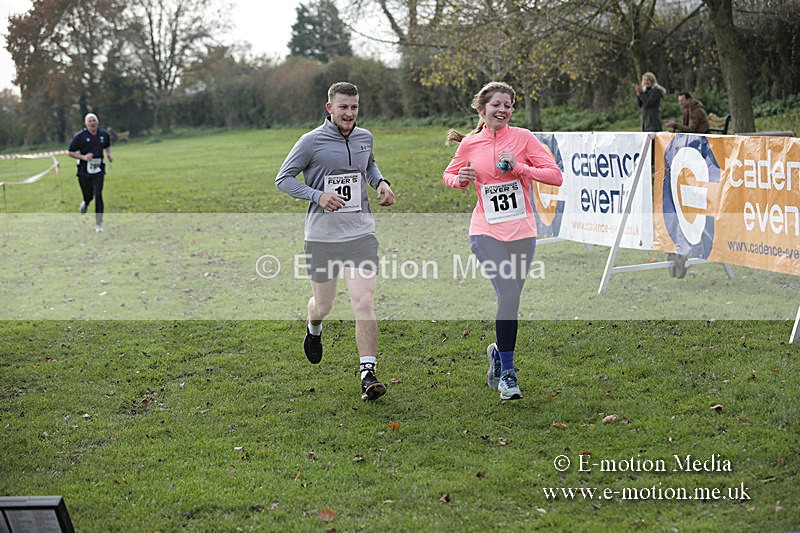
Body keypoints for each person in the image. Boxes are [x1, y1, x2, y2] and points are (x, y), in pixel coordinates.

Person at [275, 81, 396, 401]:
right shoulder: (310, 142)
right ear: (330, 108)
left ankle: (367, 374)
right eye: (343, 107)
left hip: (360, 233)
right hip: (322, 237)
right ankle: (313, 328)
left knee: (364, 300)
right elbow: (283, 179)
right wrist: (317, 195)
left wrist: (380, 182)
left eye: (354, 107)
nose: (349, 113)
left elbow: (367, 164)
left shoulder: (364, 137)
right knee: (324, 304)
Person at [442, 81, 562, 400]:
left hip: (522, 232)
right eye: (497, 104)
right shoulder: (469, 143)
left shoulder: (523, 138)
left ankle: (498, 353)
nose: (503, 110)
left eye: (508, 105)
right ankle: (508, 373)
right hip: (485, 230)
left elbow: (555, 175)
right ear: (482, 110)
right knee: (508, 291)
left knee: (510, 300)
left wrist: (521, 167)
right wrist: (459, 180)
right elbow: (449, 174)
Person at [663, 92, 710, 278]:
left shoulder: (696, 111)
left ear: (689, 100)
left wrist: (674, 125)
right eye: (679, 102)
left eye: (683, 101)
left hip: (700, 146)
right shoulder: (689, 110)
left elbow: (691, 131)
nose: (681, 104)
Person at [68, 113, 113, 232]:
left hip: (98, 169)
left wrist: (109, 155)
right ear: (86, 123)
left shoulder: (104, 134)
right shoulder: (80, 136)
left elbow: (107, 146)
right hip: (84, 171)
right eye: (90, 121)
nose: (93, 123)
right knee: (88, 195)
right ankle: (86, 202)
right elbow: (70, 152)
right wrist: (83, 157)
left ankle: (99, 224)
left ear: (97, 122)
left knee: (98, 194)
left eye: (94, 120)